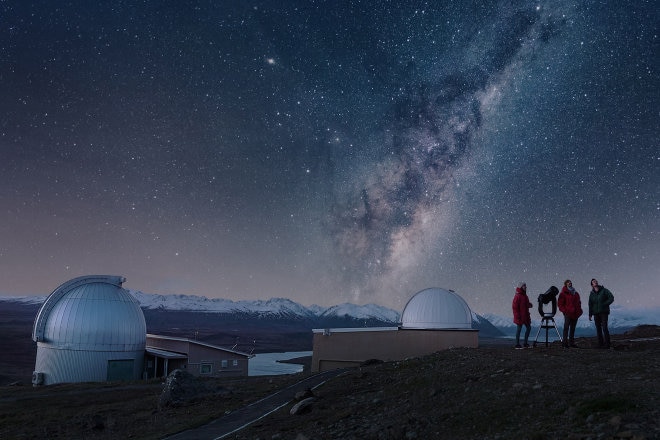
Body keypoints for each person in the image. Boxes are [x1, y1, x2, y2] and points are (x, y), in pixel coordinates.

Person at [588, 278, 615, 349]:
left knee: (605, 328)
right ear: (592, 285)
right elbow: (590, 304)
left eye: (596, 281)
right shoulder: (591, 294)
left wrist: (605, 304)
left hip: (603, 312)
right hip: (596, 313)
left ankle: (607, 344)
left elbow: (611, 297)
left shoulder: (604, 290)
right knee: (598, 329)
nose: (595, 282)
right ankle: (600, 344)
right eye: (593, 282)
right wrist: (590, 314)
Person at [558, 279, 583, 348]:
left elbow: (579, 302)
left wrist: (579, 310)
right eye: (568, 282)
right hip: (568, 313)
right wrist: (565, 311)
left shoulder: (576, 293)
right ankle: (564, 343)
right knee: (566, 328)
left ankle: (571, 343)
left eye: (570, 282)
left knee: (573, 328)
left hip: (575, 313)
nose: (570, 283)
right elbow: (560, 304)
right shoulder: (563, 293)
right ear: (565, 284)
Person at [512, 282, 533, 349]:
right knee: (519, 330)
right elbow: (514, 307)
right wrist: (517, 316)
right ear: (521, 287)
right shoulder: (517, 296)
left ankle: (525, 343)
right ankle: (517, 344)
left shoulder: (525, 296)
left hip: (525, 316)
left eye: (525, 286)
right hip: (520, 316)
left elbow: (525, 304)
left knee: (529, 328)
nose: (525, 287)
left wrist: (529, 305)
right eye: (524, 286)